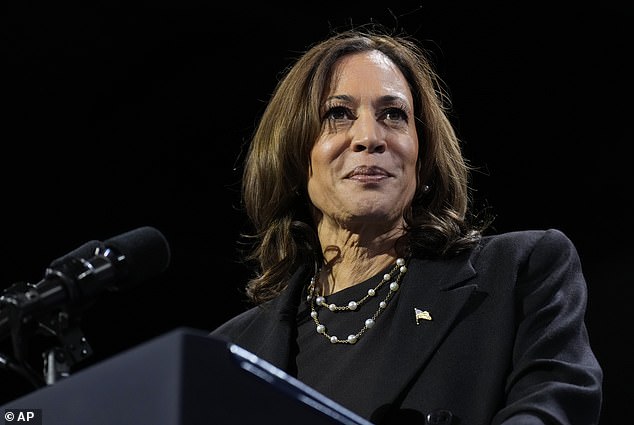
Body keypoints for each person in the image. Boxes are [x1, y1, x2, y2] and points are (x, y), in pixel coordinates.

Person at [210, 25, 603, 425]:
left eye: (393, 115)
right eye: (339, 114)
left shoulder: (518, 273)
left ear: (423, 154)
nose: (368, 137)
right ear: (295, 155)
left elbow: (554, 407)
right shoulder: (229, 352)